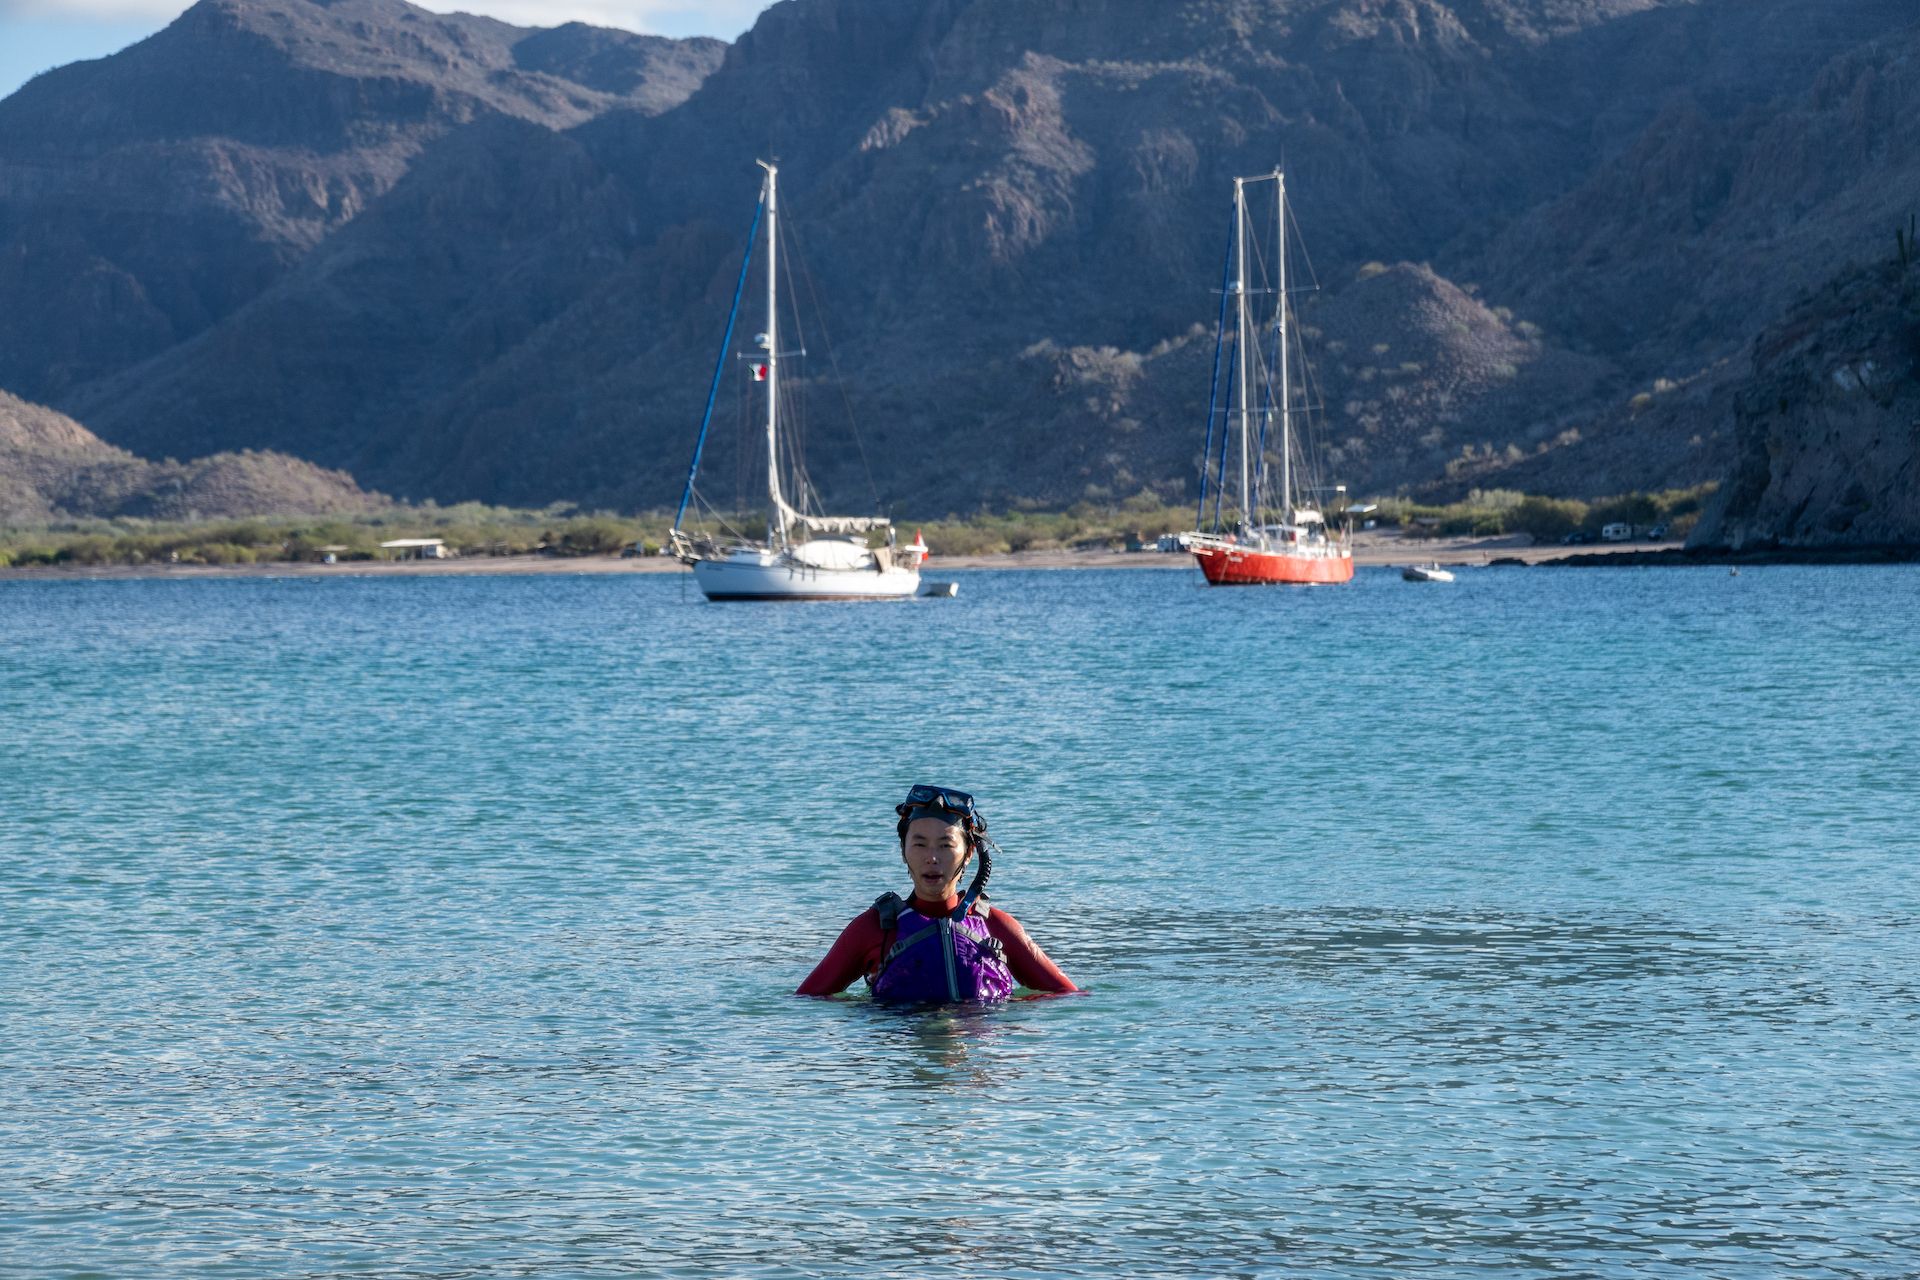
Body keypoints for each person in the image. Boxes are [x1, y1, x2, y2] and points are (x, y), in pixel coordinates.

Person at [796, 784, 1078, 1001]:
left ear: (968, 853)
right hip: (900, 1066)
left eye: (945, 845)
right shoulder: (872, 929)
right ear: (903, 851)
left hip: (974, 1065)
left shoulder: (996, 927)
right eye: (919, 844)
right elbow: (804, 1004)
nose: (932, 857)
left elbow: (1068, 998)